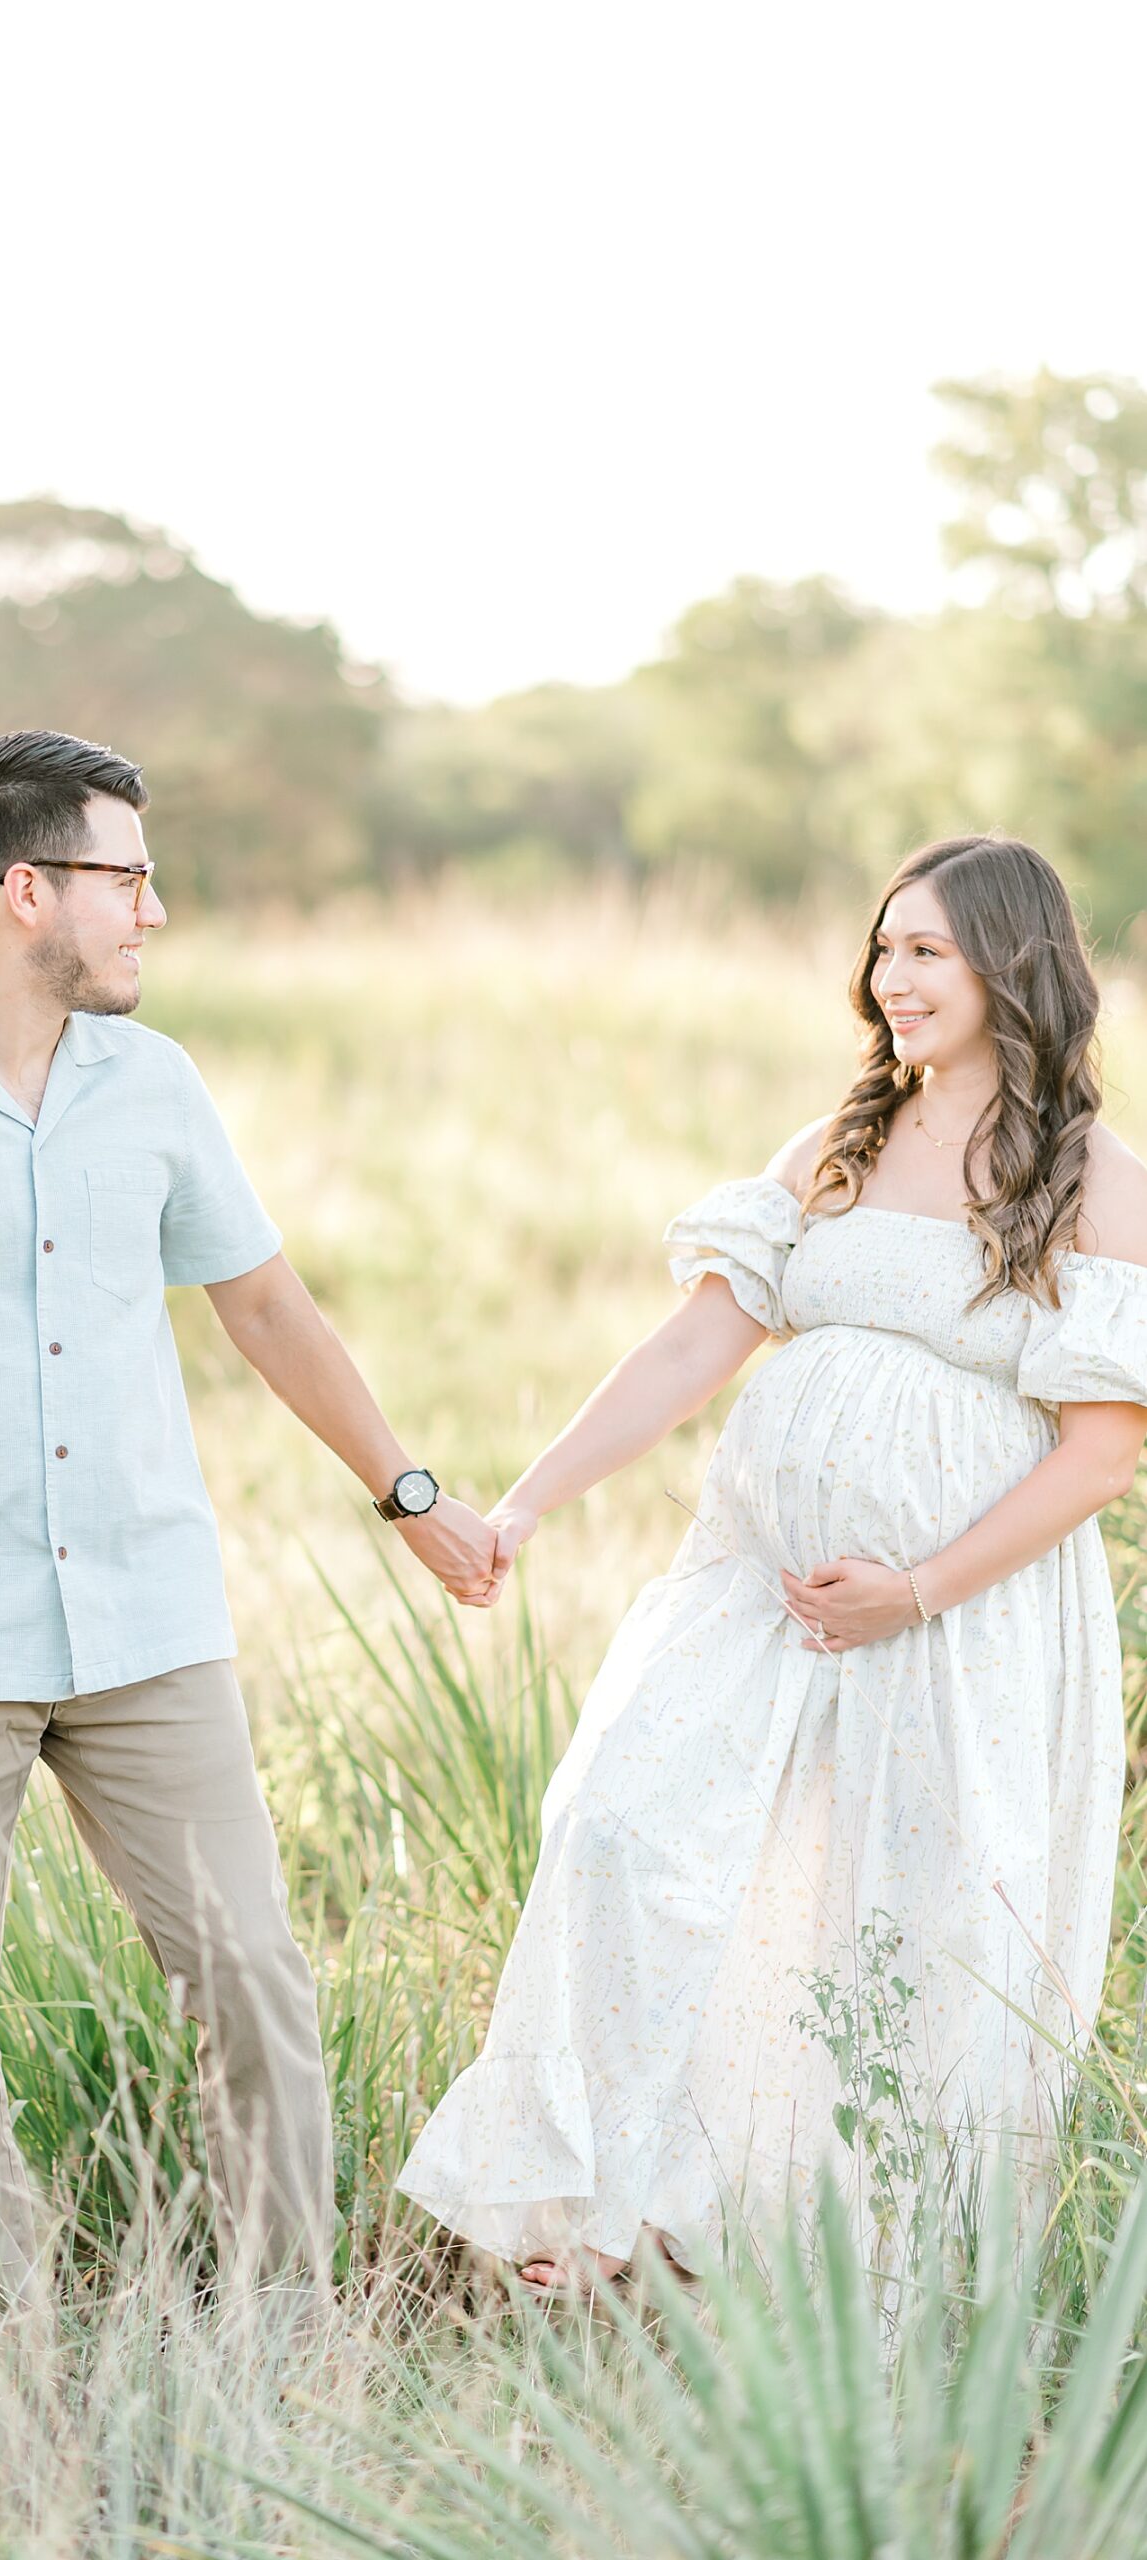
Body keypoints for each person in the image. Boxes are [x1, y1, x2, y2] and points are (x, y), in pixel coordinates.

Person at [0, 727, 499, 2306]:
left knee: (253, 1975)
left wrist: (404, 1491)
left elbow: (263, 1305)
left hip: (149, 1622)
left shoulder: (155, 1084)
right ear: (25, 891)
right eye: (126, 878)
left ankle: (277, 2333)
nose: (154, 909)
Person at [399, 835, 1147, 2290]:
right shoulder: (841, 1143)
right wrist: (529, 1501)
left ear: (1011, 964)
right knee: (622, 1830)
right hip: (752, 1588)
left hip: (955, 1622)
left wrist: (914, 1589)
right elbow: (694, 1340)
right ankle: (593, 2199)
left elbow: (1098, 1454)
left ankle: (811, 2259)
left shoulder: (1091, 1178)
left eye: (926, 950)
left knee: (886, 1924)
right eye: (883, 948)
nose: (891, 977)